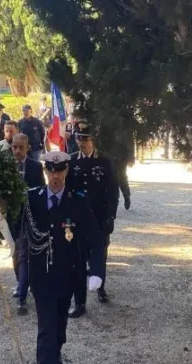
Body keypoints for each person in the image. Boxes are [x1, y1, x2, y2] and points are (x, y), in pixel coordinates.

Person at [21, 151, 105, 364]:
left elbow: (95, 238)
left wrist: (97, 271)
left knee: (58, 325)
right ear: (45, 171)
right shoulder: (32, 198)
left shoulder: (77, 200)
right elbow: (16, 227)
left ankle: (56, 352)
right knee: (46, 327)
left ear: (66, 171)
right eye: (51, 171)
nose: (55, 176)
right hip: (41, 276)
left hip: (68, 274)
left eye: (60, 171)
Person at [67, 121, 119, 317]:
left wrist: (111, 216)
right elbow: (69, 191)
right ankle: (79, 302)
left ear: (93, 140)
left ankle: (100, 287)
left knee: (100, 254)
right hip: (79, 219)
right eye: (78, 138)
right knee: (79, 258)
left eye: (85, 139)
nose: (81, 142)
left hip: (99, 217)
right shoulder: (71, 161)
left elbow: (112, 191)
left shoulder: (105, 161)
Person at [10, 133, 45, 315]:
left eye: (20, 148)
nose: (17, 151)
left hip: (27, 218)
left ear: (28, 148)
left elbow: (40, 190)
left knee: (23, 255)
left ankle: (22, 296)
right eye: (14, 147)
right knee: (16, 254)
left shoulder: (35, 167)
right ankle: (21, 282)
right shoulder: (6, 166)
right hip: (10, 218)